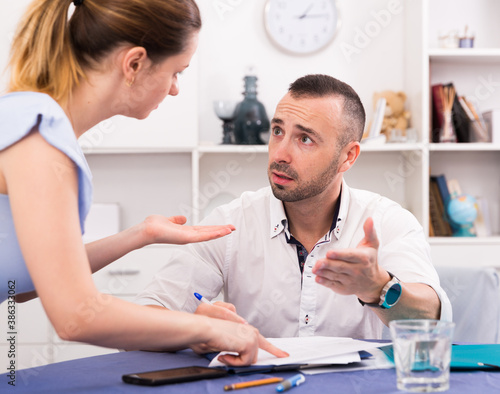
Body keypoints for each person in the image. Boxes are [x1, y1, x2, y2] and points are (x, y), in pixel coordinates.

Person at [0, 0, 287, 365]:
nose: (174, 90)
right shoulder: (41, 140)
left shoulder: (28, 117)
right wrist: (208, 329)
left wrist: (141, 235)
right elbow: (75, 315)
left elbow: (28, 281)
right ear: (134, 64)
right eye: (176, 72)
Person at [136, 74, 452, 339]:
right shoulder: (233, 222)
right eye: (277, 131)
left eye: (305, 139)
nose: (280, 154)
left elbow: (433, 318)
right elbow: (147, 315)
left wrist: (379, 288)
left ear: (348, 156)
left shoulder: (386, 222)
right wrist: (197, 328)